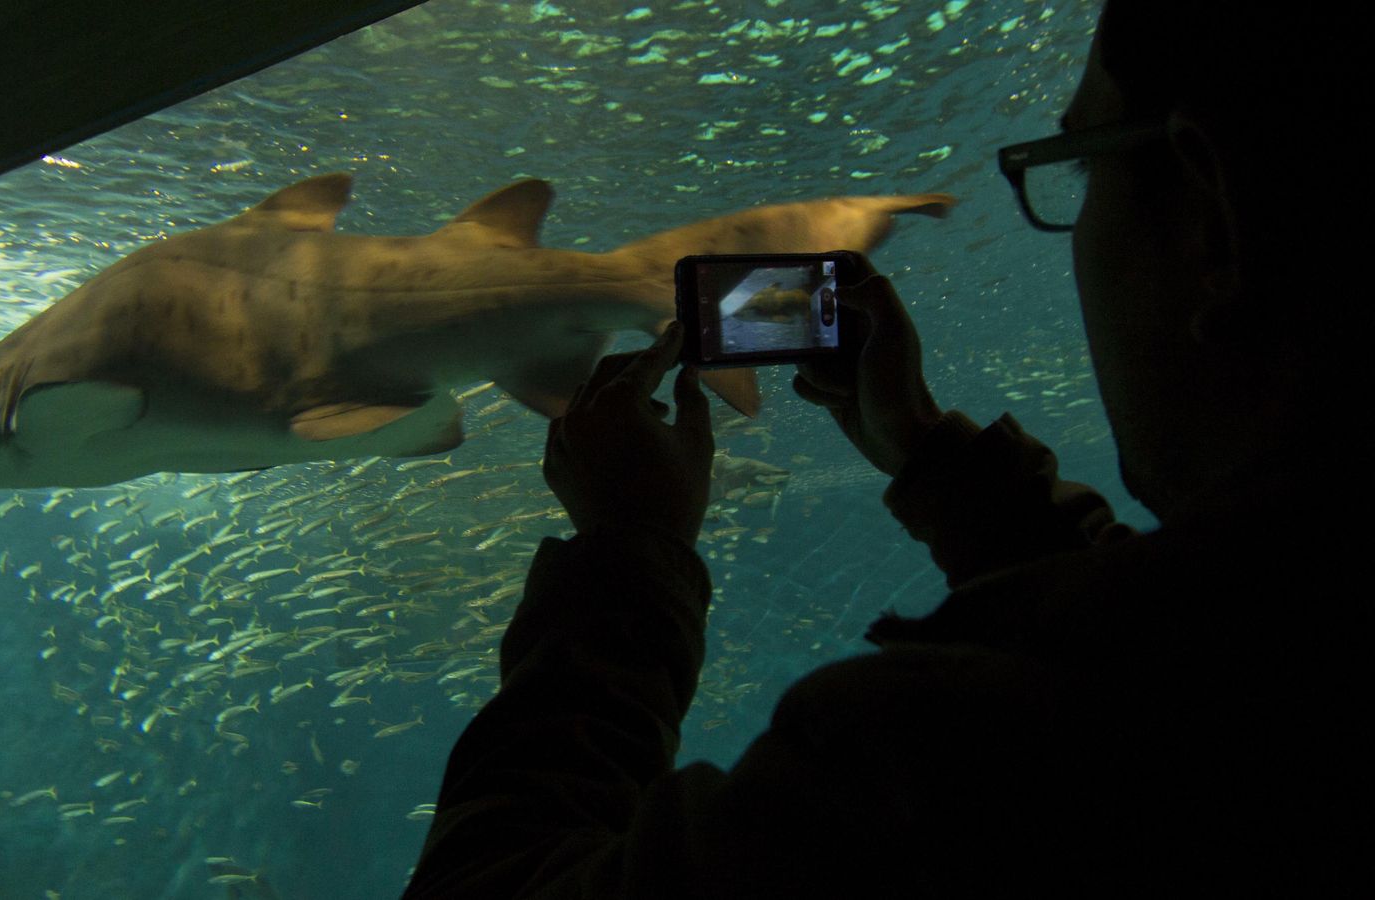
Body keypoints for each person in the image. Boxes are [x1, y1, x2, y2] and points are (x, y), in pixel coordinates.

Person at [402, 2, 1369, 896]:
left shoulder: (945, 765)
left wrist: (625, 555)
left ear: (1215, 215)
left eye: (1076, 165)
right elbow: (1161, 642)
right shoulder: (1259, 650)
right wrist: (926, 448)